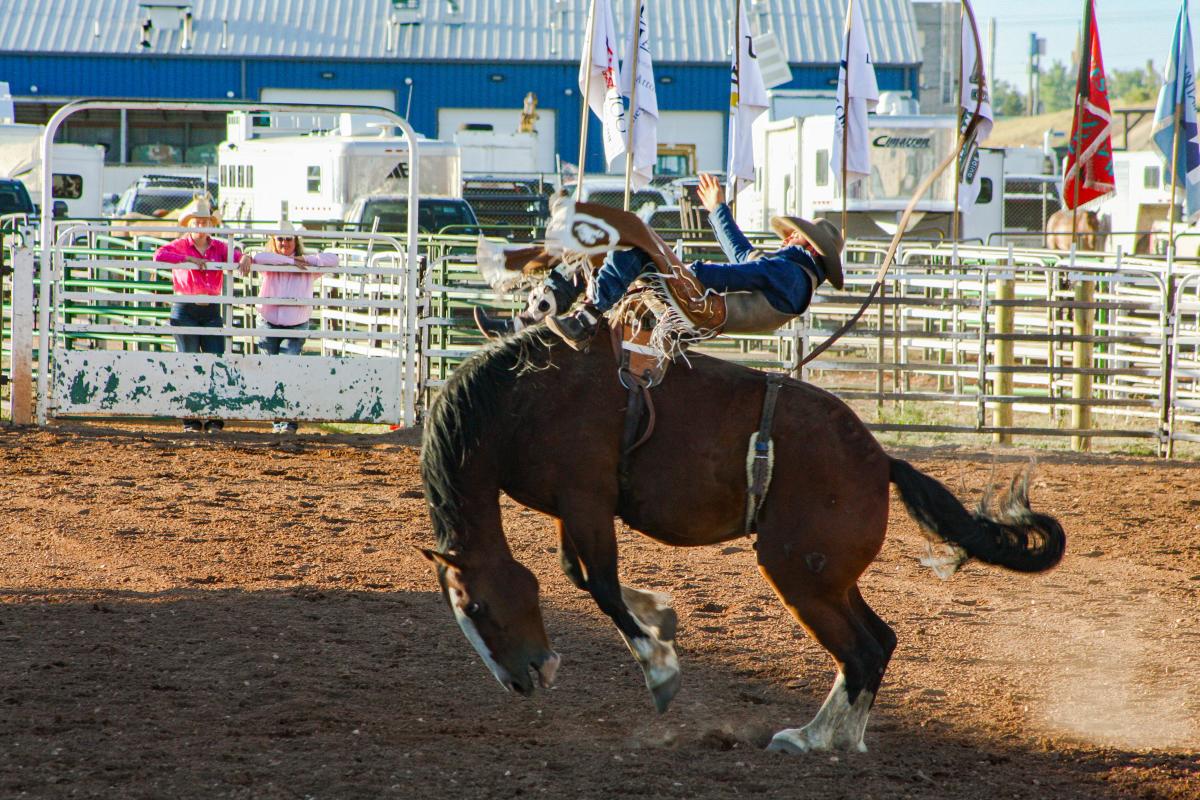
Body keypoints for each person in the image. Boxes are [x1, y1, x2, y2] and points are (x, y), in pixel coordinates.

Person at [546, 173, 845, 350]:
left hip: (702, 304)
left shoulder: (789, 272)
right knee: (636, 241)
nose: (788, 237)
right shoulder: (793, 276)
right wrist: (718, 210)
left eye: (796, 236)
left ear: (812, 249)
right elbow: (745, 258)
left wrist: (690, 272)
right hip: (705, 312)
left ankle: (584, 315)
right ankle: (573, 295)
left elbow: (740, 272)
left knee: (636, 237)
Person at [238, 220, 338, 434]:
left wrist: (304, 260)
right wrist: (290, 261)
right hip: (268, 321)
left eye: (288, 239)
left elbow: (333, 259)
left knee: (287, 369)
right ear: (274, 241)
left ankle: (289, 420)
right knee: (271, 371)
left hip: (295, 323)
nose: (284, 243)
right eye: (280, 239)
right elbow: (260, 256)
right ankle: (278, 421)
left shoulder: (307, 265)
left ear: (295, 241)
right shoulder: (269, 262)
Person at [153, 196, 241, 433]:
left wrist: (245, 258)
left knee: (214, 361)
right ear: (189, 224)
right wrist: (188, 259)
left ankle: (214, 417)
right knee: (188, 360)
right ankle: (190, 417)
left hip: (211, 307)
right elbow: (159, 256)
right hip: (185, 307)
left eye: (206, 221)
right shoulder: (180, 245)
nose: (201, 226)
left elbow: (236, 256)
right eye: (197, 221)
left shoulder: (220, 247)